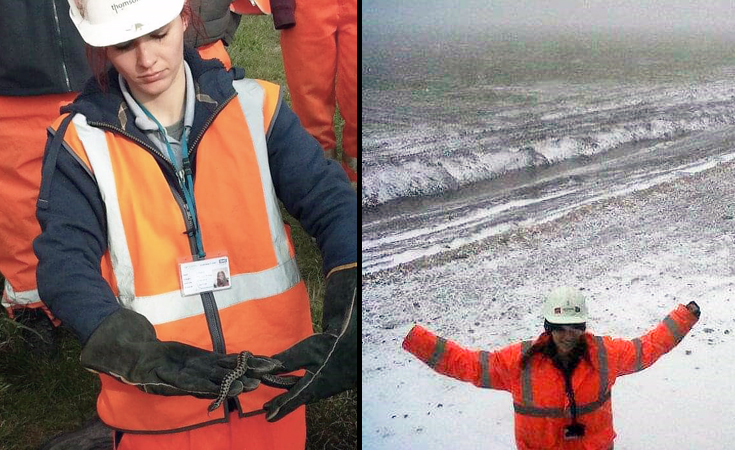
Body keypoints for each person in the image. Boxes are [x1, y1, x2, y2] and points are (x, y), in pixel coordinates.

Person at [33, 1, 357, 449]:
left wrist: (352, 278)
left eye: (159, 34)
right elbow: (63, 263)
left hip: (270, 386)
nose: (146, 60)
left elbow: (332, 202)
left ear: (184, 18)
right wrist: (132, 350)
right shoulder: (80, 143)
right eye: (124, 44)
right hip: (157, 409)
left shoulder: (256, 108)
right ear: (100, 45)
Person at [0, 0, 237, 349]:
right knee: (23, 194)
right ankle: (35, 305)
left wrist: (210, 22)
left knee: (174, 184)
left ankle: (180, 282)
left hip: (130, 40)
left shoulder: (251, 109)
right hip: (17, 61)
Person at [402, 286, 700, 450]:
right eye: (560, 328)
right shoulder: (519, 362)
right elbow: (467, 365)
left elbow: (647, 348)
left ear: (583, 327)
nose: (568, 334)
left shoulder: (605, 355)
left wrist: (684, 317)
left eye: (574, 327)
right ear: (548, 328)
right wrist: (418, 341)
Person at [232, 0, 358, 185]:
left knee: (358, 92)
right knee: (309, 97)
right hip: (306, 7)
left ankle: (359, 173)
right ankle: (320, 178)